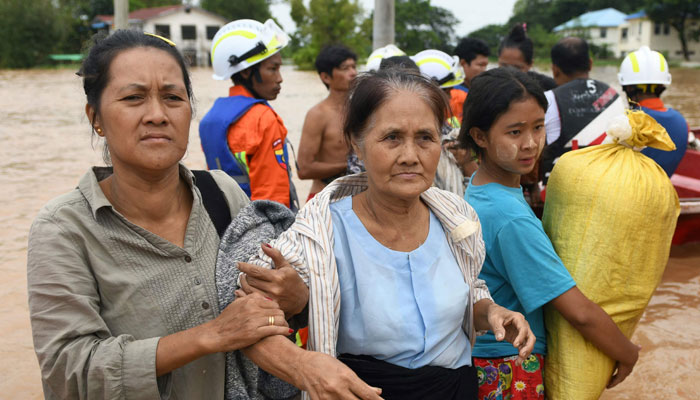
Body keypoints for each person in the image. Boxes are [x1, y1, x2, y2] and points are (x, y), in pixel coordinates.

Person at [26, 30, 311, 399]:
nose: (157, 115)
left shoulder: (222, 195)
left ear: (190, 111)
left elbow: (264, 316)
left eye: (173, 97)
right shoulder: (64, 230)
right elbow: (69, 371)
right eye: (133, 98)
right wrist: (210, 335)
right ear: (96, 117)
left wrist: (297, 299)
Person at [240, 68, 537, 400]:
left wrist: (490, 311)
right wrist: (301, 365)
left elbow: (469, 288)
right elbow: (245, 320)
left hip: (456, 389)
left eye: (425, 137)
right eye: (392, 137)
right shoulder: (320, 232)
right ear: (357, 142)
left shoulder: (457, 218)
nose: (410, 156)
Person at [459, 68, 640, 399]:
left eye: (538, 127)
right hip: (511, 366)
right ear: (480, 137)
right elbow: (579, 312)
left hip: (485, 357)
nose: (530, 143)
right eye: (515, 132)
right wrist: (628, 353)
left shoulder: (482, 189)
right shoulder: (510, 217)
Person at [200, 19, 298, 211]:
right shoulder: (263, 118)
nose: (280, 78)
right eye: (273, 68)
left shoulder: (210, 118)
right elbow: (273, 197)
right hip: (260, 228)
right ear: (245, 72)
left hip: (223, 222)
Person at [540, 37, 626, 184]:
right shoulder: (614, 95)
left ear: (555, 70)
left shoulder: (548, 100)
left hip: (562, 186)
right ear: (590, 64)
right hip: (610, 182)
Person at [297, 45, 357, 201]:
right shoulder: (317, 115)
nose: (353, 73)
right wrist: (349, 166)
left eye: (354, 67)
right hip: (324, 197)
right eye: (345, 68)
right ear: (326, 77)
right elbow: (304, 169)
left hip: (359, 199)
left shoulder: (361, 110)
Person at [619, 46, 689, 176]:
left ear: (627, 88)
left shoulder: (626, 123)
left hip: (630, 194)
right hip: (663, 192)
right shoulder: (682, 122)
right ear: (662, 86)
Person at [498, 24, 557, 91]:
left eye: (516, 68)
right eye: (504, 66)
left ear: (530, 64)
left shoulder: (548, 87)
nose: (509, 73)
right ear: (498, 60)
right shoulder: (489, 85)